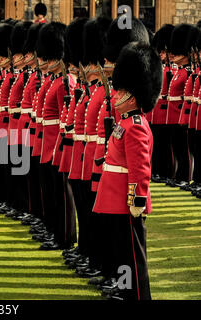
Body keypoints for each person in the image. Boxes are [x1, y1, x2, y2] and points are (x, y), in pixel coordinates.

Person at [92, 42, 162, 300]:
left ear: (132, 96)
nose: (115, 94)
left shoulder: (136, 126)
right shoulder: (125, 122)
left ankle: (138, 296)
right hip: (114, 197)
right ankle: (124, 289)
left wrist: (137, 201)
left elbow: (140, 169)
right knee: (121, 251)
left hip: (127, 201)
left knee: (133, 255)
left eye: (120, 90)